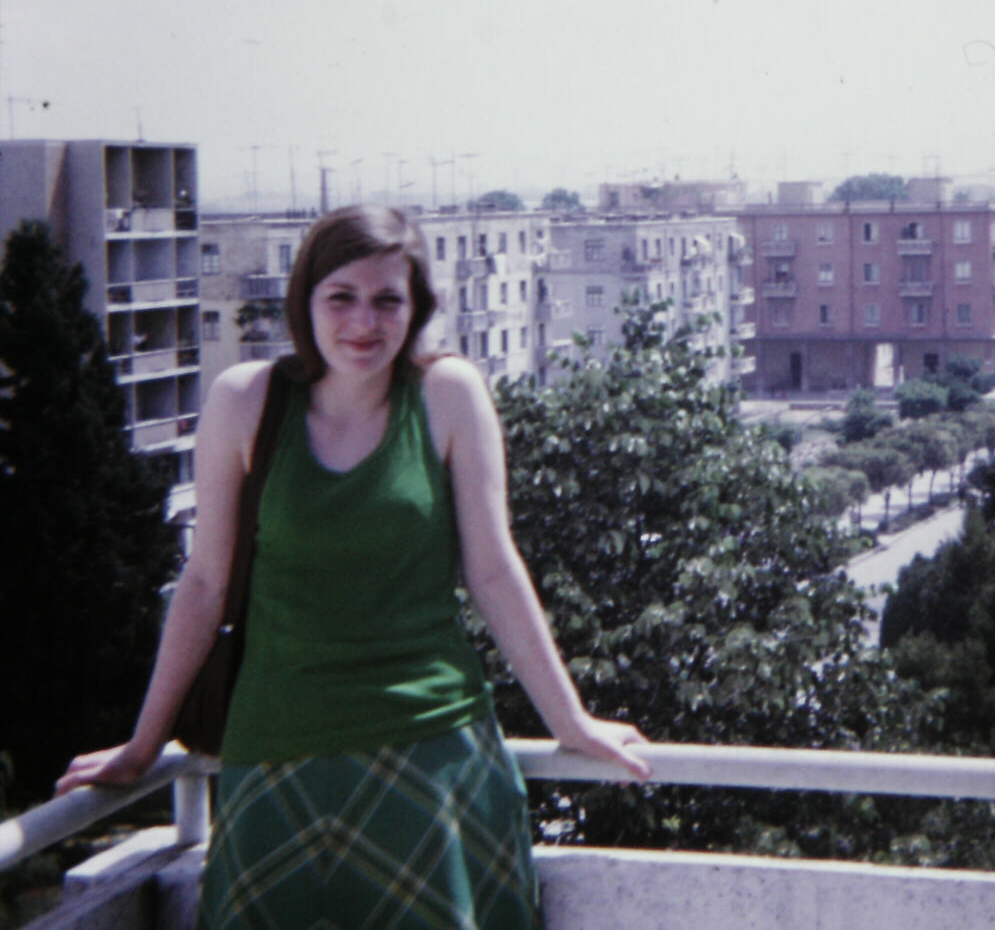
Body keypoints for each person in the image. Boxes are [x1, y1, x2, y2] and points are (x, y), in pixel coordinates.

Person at [56, 205, 649, 927]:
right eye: (342, 297)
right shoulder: (244, 401)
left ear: (417, 308)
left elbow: (494, 570)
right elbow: (205, 582)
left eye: (387, 299)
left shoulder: (449, 396)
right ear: (305, 299)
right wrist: (145, 745)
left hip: (434, 755)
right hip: (275, 754)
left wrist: (572, 721)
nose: (364, 322)